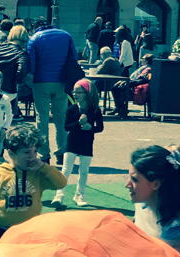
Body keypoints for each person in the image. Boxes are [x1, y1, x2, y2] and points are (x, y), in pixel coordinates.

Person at [0, 125, 67, 249]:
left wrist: (44, 167)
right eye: (27, 152)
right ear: (12, 154)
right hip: (1, 231)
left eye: (35, 151)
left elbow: (61, 183)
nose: (32, 156)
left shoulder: (38, 174)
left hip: (31, 232)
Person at [26, 19, 80, 162]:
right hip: (61, 81)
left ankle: (45, 155)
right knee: (61, 118)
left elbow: (30, 65)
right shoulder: (65, 35)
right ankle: (62, 152)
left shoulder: (34, 39)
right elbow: (75, 57)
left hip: (41, 82)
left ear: (35, 27)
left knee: (41, 119)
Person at [52, 80, 104, 208]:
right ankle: (59, 195)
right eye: (74, 92)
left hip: (86, 143)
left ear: (87, 94)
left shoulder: (95, 110)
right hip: (72, 143)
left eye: (78, 92)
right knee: (66, 169)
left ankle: (80, 194)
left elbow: (100, 127)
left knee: (84, 171)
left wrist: (90, 127)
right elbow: (66, 127)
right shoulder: (71, 109)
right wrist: (79, 123)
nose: (75, 94)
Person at [93, 45, 130, 118]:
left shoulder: (108, 60)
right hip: (112, 82)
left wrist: (99, 66)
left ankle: (92, 105)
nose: (101, 56)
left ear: (104, 54)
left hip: (107, 83)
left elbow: (99, 72)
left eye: (101, 54)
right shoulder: (115, 60)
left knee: (92, 85)